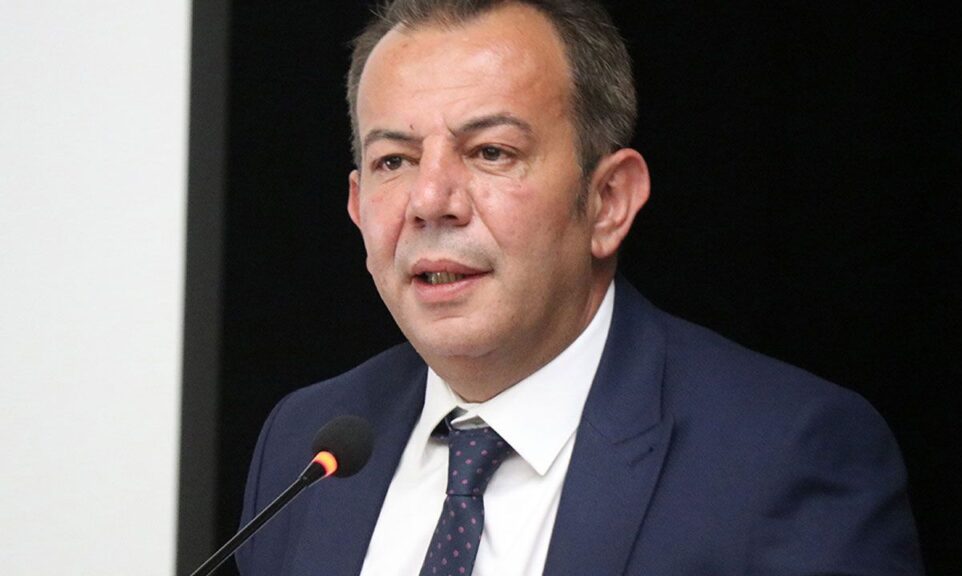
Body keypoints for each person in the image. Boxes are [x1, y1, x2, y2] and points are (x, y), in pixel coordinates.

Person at [236, 1, 923, 574]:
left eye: (491, 152)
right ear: (357, 207)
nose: (430, 200)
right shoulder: (305, 445)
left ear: (608, 202)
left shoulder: (780, 457)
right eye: (394, 161)